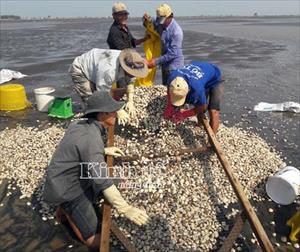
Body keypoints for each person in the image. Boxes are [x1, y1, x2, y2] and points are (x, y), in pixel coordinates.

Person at [43, 91, 149, 250]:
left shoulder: (80, 123)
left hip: (73, 174)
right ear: (101, 114)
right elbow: (101, 179)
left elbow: (79, 147)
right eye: (112, 111)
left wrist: (104, 150)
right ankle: (67, 210)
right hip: (67, 189)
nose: (116, 113)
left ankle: (66, 209)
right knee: (95, 240)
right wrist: (125, 208)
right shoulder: (90, 138)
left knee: (119, 182)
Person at [69, 48, 148, 124]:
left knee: (99, 95)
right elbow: (103, 94)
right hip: (80, 69)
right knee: (90, 98)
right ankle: (91, 121)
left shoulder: (130, 60)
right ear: (125, 68)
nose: (134, 75)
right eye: (132, 73)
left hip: (96, 66)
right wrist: (118, 110)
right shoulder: (109, 71)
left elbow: (130, 81)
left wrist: (130, 101)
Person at [163, 61, 224, 135]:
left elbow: (203, 107)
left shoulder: (196, 89)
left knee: (213, 110)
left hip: (215, 78)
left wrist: (184, 115)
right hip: (201, 73)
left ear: (188, 90)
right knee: (198, 101)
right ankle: (199, 125)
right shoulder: (172, 78)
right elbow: (170, 92)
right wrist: (169, 107)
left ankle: (212, 138)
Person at [143, 3, 184, 85]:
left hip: (174, 66)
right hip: (164, 63)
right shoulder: (160, 21)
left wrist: (155, 62)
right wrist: (148, 19)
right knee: (165, 88)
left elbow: (172, 54)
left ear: (170, 17)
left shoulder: (177, 32)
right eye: (159, 19)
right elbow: (153, 22)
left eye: (162, 20)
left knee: (173, 89)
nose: (160, 23)